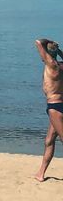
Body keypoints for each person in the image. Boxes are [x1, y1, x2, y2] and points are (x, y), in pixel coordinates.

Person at [35, 38, 63, 180]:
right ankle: (41, 174)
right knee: (49, 140)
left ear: (47, 53)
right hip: (60, 106)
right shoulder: (60, 65)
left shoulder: (51, 64)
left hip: (55, 108)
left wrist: (49, 41)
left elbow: (38, 42)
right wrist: (58, 50)